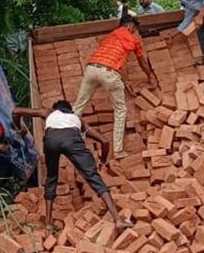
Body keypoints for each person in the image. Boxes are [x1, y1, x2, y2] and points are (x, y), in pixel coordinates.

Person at [12, 100, 130, 231]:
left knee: (51, 177)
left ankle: (48, 223)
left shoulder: (48, 112)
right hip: (72, 140)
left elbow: (16, 111)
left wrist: (20, 129)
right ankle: (118, 219)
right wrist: (102, 161)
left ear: (55, 109)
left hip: (51, 140)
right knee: (94, 178)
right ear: (70, 111)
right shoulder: (77, 119)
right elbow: (105, 141)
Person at [72, 15, 158, 159]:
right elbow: (141, 61)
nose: (134, 33)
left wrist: (125, 82)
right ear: (131, 27)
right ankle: (118, 151)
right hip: (110, 73)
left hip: (91, 68)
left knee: (79, 105)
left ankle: (70, 136)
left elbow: (118, 60)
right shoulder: (133, 39)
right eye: (134, 30)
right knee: (120, 110)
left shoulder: (110, 36)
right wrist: (151, 76)